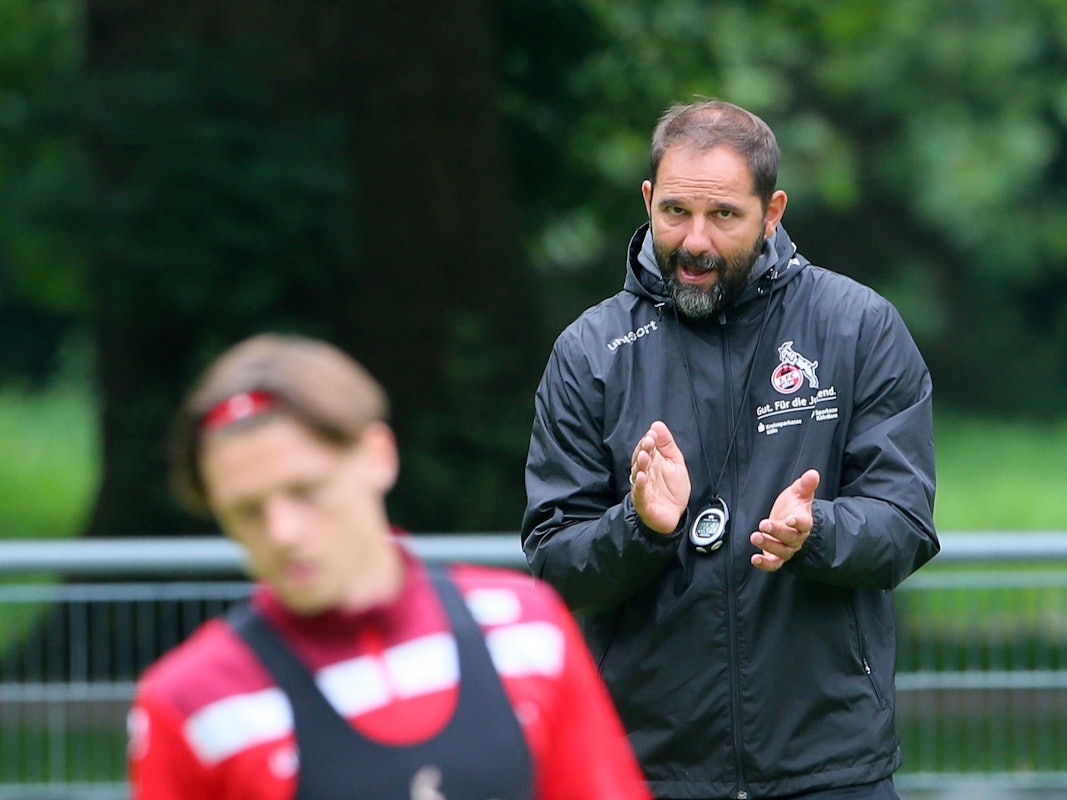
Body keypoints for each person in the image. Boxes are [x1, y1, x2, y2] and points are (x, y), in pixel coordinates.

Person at [521, 99, 939, 800]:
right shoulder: (588, 352)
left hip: (828, 767)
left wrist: (818, 532)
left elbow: (904, 527)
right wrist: (639, 528)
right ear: (648, 200)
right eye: (675, 212)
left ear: (771, 212)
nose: (694, 241)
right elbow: (555, 569)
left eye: (723, 217)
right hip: (647, 768)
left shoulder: (856, 326)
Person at [127, 333, 652, 800]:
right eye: (246, 511)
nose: (281, 532)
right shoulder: (191, 704)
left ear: (378, 455)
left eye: (306, 491)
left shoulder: (522, 628)